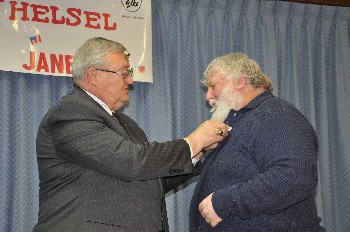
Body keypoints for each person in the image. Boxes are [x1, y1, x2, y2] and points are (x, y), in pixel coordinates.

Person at [33, 37, 230, 232]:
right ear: (93, 76)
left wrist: (195, 153)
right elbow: (130, 161)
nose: (130, 80)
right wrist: (193, 142)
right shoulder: (71, 113)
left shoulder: (127, 124)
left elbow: (151, 180)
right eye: (124, 73)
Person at [189, 53, 326, 231]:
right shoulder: (240, 122)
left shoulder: (277, 114)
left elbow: (296, 176)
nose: (208, 96)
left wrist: (225, 202)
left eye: (213, 86)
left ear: (240, 81)